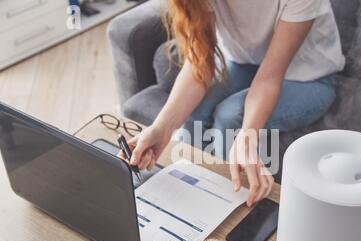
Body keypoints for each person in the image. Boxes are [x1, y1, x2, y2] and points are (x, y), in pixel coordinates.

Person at [121, 0, 345, 207]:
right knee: (194, 111)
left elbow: (268, 78)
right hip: (246, 63)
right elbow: (200, 64)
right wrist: (161, 128)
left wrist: (248, 136)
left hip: (310, 75)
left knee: (230, 117)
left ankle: (226, 204)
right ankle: (189, 196)